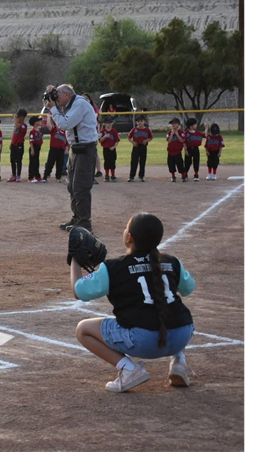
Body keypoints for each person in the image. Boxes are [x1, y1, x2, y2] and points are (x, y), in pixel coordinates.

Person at [72, 213, 196, 392]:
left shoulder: (114, 267)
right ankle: (179, 362)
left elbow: (79, 291)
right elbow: (188, 288)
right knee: (174, 309)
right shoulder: (172, 262)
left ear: (129, 237)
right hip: (181, 336)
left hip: (145, 342)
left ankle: (128, 369)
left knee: (83, 329)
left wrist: (75, 261)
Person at [46, 84, 99, 233]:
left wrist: (53, 108)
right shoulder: (70, 104)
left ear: (67, 95)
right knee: (72, 186)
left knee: (81, 187)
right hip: (76, 149)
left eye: (58, 95)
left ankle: (84, 222)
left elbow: (64, 124)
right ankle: (77, 218)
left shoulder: (80, 103)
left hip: (85, 149)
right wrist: (50, 95)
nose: (56, 99)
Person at [128, 115, 153, 183]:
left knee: (142, 162)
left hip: (143, 147)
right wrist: (132, 142)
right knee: (134, 162)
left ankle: (141, 176)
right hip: (136, 146)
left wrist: (146, 140)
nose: (140, 123)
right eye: (138, 121)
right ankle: (131, 176)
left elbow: (151, 137)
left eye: (141, 121)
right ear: (136, 122)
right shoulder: (134, 129)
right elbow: (129, 137)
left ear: (144, 121)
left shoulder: (147, 129)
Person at [8, 109, 28, 183]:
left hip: (19, 145)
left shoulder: (24, 126)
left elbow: (17, 127)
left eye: (19, 116)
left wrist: (15, 119)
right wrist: (11, 142)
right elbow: (14, 134)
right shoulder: (17, 124)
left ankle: (18, 175)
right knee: (12, 160)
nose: (17, 118)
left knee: (18, 161)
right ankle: (13, 175)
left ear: (22, 117)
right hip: (14, 145)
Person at [98, 116, 120, 182]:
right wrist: (104, 137)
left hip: (113, 149)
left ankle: (113, 175)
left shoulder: (114, 131)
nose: (109, 124)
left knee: (113, 162)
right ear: (104, 124)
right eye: (108, 123)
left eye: (111, 122)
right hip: (106, 149)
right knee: (107, 162)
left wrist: (114, 147)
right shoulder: (103, 132)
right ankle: (107, 175)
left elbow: (117, 141)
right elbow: (100, 141)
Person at [166, 118, 187, 183]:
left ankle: (183, 176)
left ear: (178, 124)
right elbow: (169, 141)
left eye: (175, 123)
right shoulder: (169, 133)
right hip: (170, 152)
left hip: (178, 152)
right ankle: (173, 176)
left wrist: (177, 134)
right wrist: (172, 134)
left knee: (180, 165)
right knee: (171, 165)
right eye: (172, 124)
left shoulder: (181, 132)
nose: (173, 125)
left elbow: (182, 140)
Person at [27, 116, 44, 183]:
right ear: (35, 123)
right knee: (32, 162)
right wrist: (32, 149)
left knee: (36, 162)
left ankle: (37, 176)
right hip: (34, 147)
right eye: (38, 121)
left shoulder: (38, 130)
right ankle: (31, 177)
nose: (40, 122)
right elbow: (31, 141)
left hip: (38, 148)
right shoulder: (32, 131)